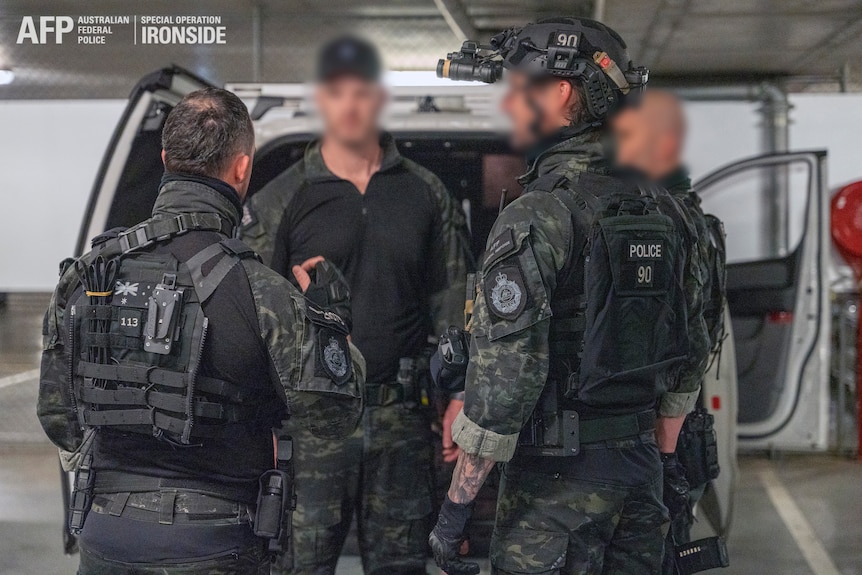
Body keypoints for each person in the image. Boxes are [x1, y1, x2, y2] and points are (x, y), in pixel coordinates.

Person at [37, 87, 365, 575]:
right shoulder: (263, 292)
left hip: (107, 539)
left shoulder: (86, 276)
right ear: (241, 169)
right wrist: (330, 318)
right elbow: (335, 415)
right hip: (217, 545)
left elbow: (58, 418)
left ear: (166, 159)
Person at [428, 17, 709, 575]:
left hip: (552, 494)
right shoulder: (672, 207)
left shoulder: (539, 214)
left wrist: (455, 511)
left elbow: (507, 384)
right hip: (642, 478)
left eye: (515, 91)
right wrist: (660, 460)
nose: (508, 106)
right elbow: (692, 349)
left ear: (559, 93)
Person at [241, 36, 472, 575]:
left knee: (401, 565)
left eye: (362, 91)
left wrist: (460, 395)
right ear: (322, 99)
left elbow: (454, 297)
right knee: (300, 564)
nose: (350, 104)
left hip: (401, 418)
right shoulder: (282, 198)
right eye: (337, 92)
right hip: (313, 421)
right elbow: (251, 308)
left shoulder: (424, 192)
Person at [613, 90, 729, 573]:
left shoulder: (672, 222)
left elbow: (694, 344)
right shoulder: (695, 220)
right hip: (669, 427)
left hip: (660, 428)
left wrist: (663, 444)